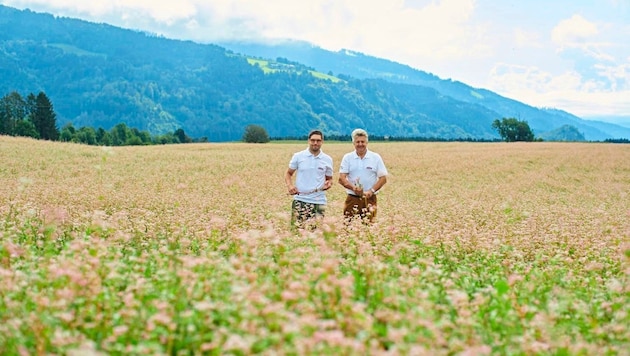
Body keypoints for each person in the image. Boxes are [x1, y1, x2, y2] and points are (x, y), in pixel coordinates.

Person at [285, 130, 333, 228]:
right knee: (296, 232)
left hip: (319, 201)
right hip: (300, 200)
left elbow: (330, 179)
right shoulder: (298, 156)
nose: (315, 143)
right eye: (313, 140)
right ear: (308, 141)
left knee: (316, 234)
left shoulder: (327, 159)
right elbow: (288, 173)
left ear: (322, 141)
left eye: (318, 141)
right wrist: (290, 186)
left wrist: (329, 184)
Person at [338, 128, 388, 223]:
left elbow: (383, 178)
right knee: (349, 227)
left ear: (367, 142)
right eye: (358, 142)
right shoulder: (347, 158)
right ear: (353, 143)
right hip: (352, 198)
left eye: (363, 142)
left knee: (369, 227)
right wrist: (354, 188)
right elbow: (341, 178)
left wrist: (371, 191)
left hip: (370, 199)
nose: (360, 144)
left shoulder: (375, 157)